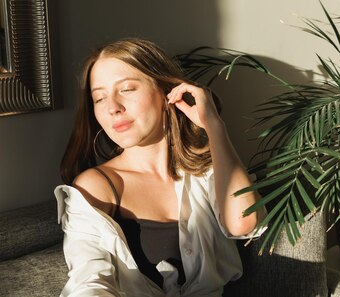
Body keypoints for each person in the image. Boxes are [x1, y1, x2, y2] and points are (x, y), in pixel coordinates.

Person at [55, 38, 265, 297]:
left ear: (166, 91)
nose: (113, 108)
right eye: (99, 98)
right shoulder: (97, 186)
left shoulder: (204, 170)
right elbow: (88, 281)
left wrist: (214, 126)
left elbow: (243, 223)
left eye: (127, 89)